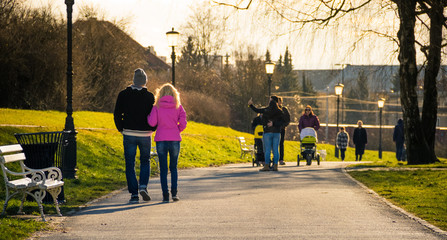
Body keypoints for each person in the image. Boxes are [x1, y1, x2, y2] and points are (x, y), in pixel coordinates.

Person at [114, 68, 156, 204]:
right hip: (145, 134)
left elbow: (117, 114)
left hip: (129, 133)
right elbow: (155, 115)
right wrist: (152, 129)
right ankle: (143, 186)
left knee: (130, 163)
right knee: (145, 161)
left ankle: (134, 194)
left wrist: (121, 129)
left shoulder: (123, 94)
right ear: (145, 82)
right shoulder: (150, 96)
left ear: (133, 80)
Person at [148, 83, 187, 203]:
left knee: (163, 169)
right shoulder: (178, 106)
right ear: (174, 93)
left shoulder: (157, 106)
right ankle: (174, 193)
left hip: (161, 140)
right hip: (175, 139)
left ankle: (165, 194)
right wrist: (177, 130)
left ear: (160, 93)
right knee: (174, 167)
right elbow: (183, 122)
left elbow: (152, 122)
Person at [248, 96, 285, 171]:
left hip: (267, 132)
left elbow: (257, 110)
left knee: (267, 149)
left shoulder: (266, 110)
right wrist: (274, 123)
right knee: (275, 149)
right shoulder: (280, 111)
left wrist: (251, 105)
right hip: (277, 132)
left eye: (270, 100)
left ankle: (267, 165)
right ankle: (275, 165)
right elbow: (283, 122)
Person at [275, 97, 290, 165]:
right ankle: (274, 158)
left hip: (281, 129)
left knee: (281, 144)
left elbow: (288, 120)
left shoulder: (284, 109)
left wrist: (283, 125)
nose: (277, 103)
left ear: (281, 102)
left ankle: (281, 159)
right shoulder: (273, 109)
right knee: (274, 144)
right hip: (274, 129)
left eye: (278, 101)